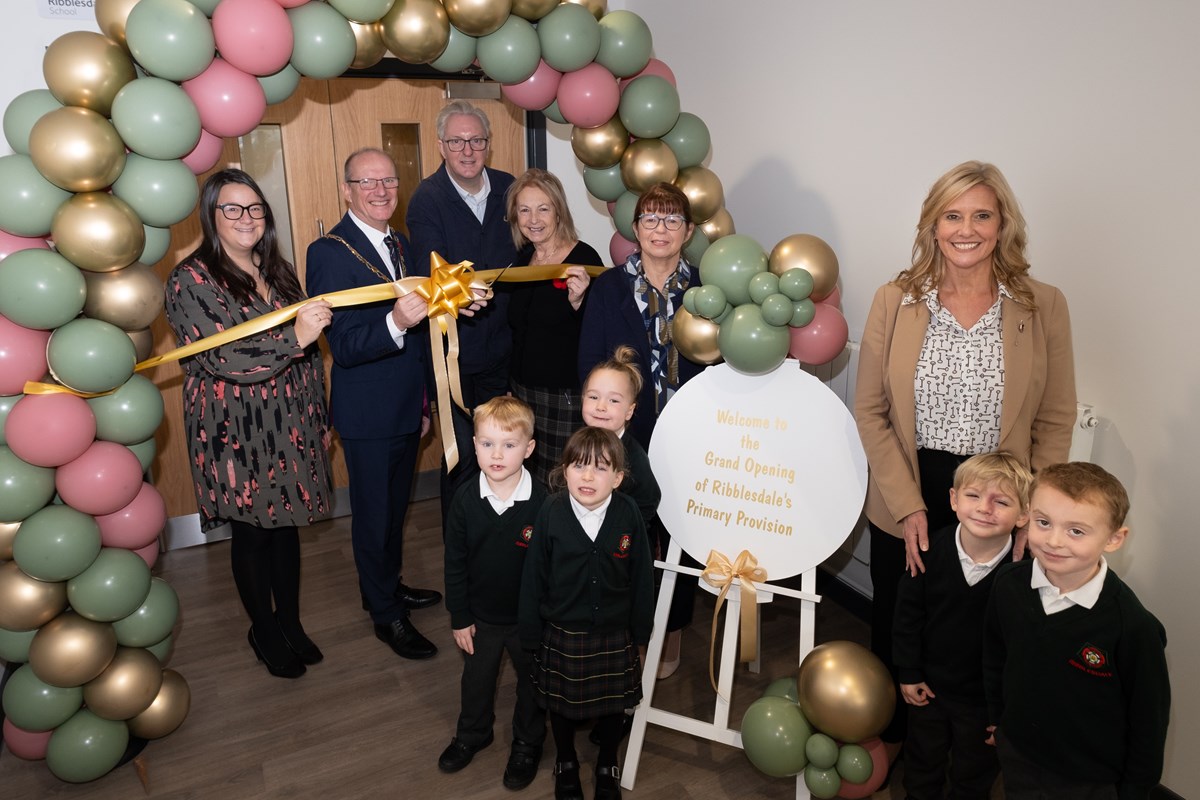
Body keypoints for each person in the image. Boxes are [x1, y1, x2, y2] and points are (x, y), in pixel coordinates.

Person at [853, 160, 1077, 745]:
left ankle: (976, 749)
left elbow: (1054, 419)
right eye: (952, 215)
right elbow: (871, 411)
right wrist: (907, 505)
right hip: (910, 482)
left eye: (982, 214)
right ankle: (896, 740)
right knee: (902, 618)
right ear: (932, 224)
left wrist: (1036, 512)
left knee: (982, 627)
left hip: (1000, 495)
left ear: (1003, 224)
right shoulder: (893, 300)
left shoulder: (1042, 304)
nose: (966, 228)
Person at [165, 169, 333, 680]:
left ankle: (291, 621)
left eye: (255, 208)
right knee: (253, 533)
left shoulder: (278, 270)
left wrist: (320, 415)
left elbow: (309, 354)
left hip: (291, 421)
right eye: (232, 209)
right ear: (212, 216)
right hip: (235, 429)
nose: (246, 218)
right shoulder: (191, 280)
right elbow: (225, 358)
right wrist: (296, 338)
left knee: (287, 526)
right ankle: (263, 628)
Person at [305, 147, 442, 661]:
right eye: (368, 182)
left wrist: (424, 398)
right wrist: (398, 323)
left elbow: (422, 335)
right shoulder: (329, 251)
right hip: (367, 411)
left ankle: (385, 586)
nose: (382, 191)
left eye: (389, 181)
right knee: (373, 515)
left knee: (394, 512)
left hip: (407, 404)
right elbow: (342, 347)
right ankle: (386, 615)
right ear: (347, 190)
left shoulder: (401, 244)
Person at [578, 181, 706, 679]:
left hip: (689, 438)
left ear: (689, 230)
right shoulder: (609, 288)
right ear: (634, 229)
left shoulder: (705, 290)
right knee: (625, 540)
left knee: (680, 539)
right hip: (626, 439)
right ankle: (625, 637)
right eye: (650, 219)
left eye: (672, 219)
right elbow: (590, 365)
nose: (660, 229)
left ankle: (671, 634)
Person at [983, 462, 1170, 799]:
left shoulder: (1133, 628)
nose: (1054, 541)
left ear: (1114, 539)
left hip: (1089, 778)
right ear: (1026, 517)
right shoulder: (1008, 586)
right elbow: (995, 657)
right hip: (1019, 753)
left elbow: (1149, 721)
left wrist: (1135, 790)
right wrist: (1000, 720)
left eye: (1076, 531)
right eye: (1043, 522)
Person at [519, 427, 654, 800]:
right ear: (564, 472)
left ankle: (608, 759)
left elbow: (642, 577)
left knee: (614, 704)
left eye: (600, 468)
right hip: (563, 630)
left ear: (618, 478)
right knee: (560, 706)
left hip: (614, 631)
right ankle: (565, 760)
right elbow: (534, 576)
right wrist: (530, 632)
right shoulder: (551, 510)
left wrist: (641, 633)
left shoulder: (627, 514)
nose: (588, 476)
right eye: (578, 466)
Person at [893, 452, 1032, 800]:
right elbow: (907, 616)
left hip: (983, 704)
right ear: (954, 500)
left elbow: (1025, 650)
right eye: (973, 496)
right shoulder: (926, 552)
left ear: (1024, 515)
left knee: (975, 774)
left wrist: (1007, 712)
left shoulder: (1026, 576)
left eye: (1001, 501)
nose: (985, 508)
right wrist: (908, 672)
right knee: (922, 763)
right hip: (930, 690)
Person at [407, 100, 519, 518]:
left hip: (503, 353)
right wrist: (460, 296)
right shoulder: (426, 199)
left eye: (476, 140)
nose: (467, 150)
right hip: (452, 356)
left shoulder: (511, 189)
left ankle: (501, 541)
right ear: (441, 146)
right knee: (462, 459)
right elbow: (427, 271)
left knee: (504, 452)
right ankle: (461, 553)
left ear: (488, 144)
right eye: (457, 141)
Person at [439, 396, 548, 790]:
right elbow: (454, 563)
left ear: (529, 448)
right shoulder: (465, 501)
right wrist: (459, 616)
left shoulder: (544, 504)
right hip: (481, 618)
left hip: (529, 620)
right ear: (473, 444)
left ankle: (527, 743)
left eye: (508, 444)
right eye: (486, 444)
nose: (496, 454)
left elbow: (551, 567)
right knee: (476, 680)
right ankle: (473, 733)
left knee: (533, 684)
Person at [506, 167, 603, 486]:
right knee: (527, 479)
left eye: (543, 208)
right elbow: (520, 331)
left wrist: (578, 303)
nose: (533, 219)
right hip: (523, 391)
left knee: (562, 481)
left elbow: (599, 329)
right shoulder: (521, 260)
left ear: (558, 211)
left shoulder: (584, 259)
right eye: (524, 210)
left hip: (565, 397)